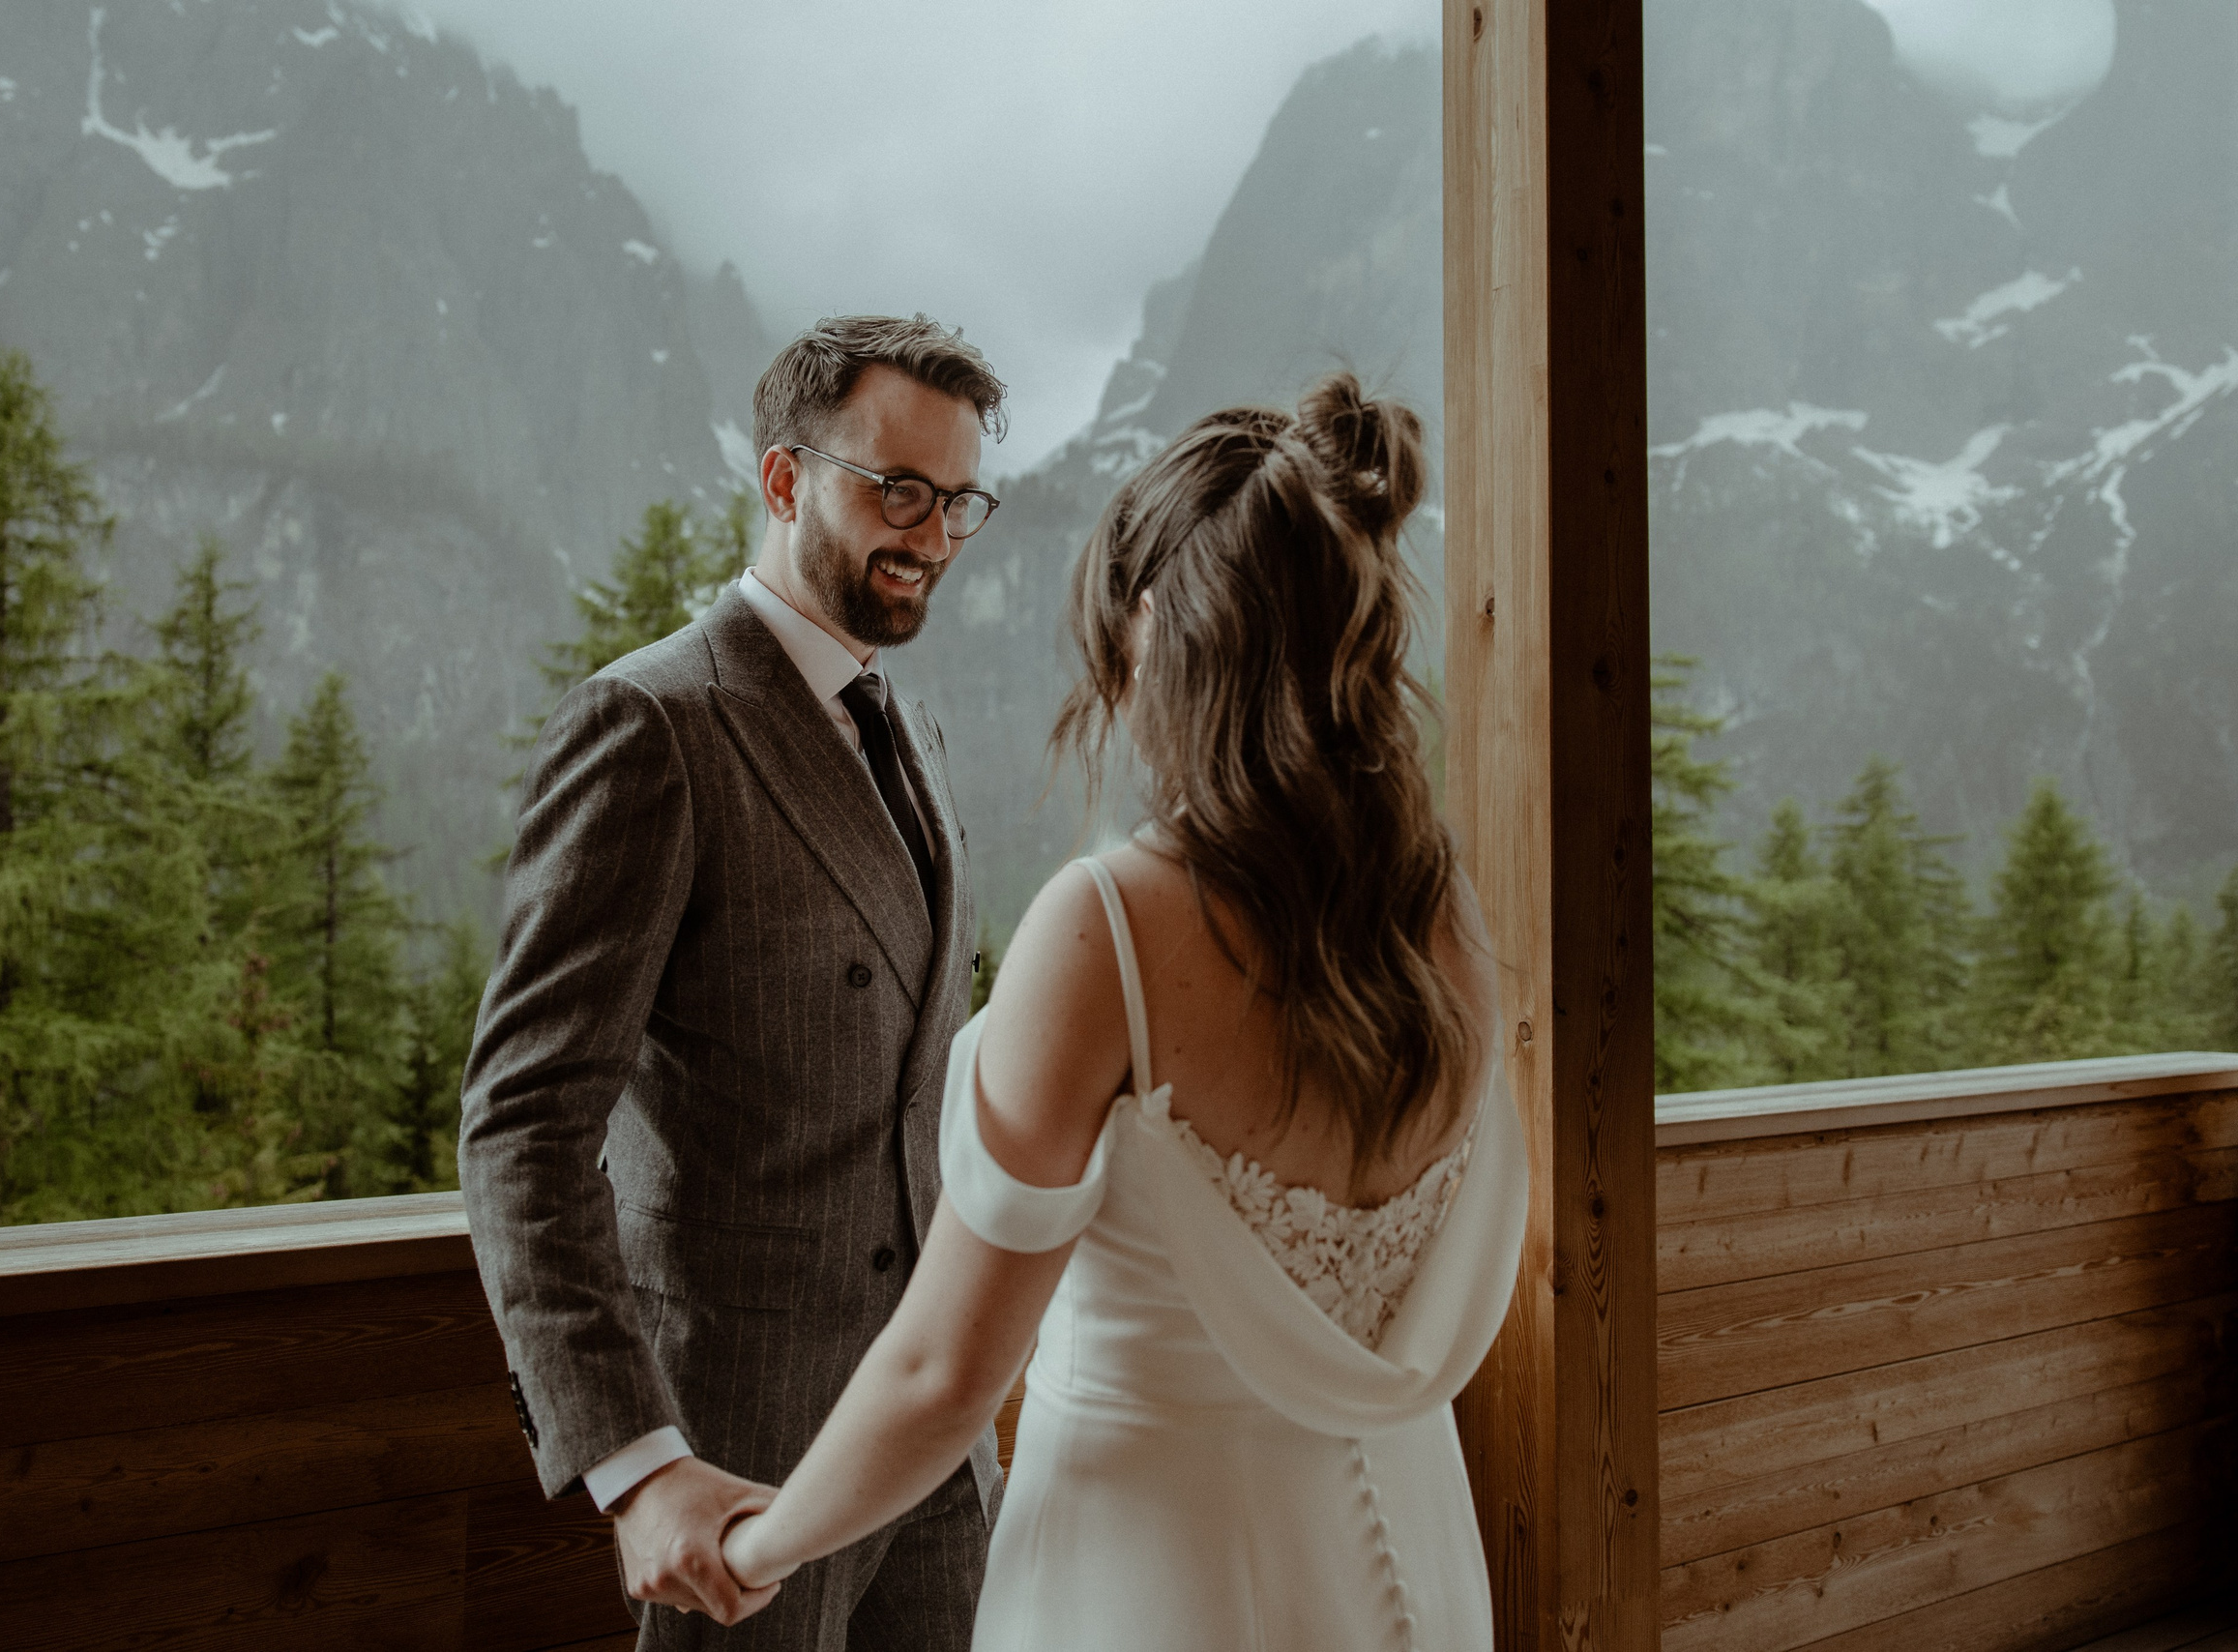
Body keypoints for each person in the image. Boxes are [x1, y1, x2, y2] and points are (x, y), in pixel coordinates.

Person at [716, 373, 1528, 1650]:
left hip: (1155, 1575)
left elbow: (946, 1377)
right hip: (1411, 1558)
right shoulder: (1446, 927)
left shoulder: (1108, 931)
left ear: (1152, 625)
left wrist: (747, 1546)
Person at [458, 313, 1009, 1648]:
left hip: (933, 1441)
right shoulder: (649, 725)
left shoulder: (911, 726)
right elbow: (522, 1128)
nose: (932, 535)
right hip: (737, 1458)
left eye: (958, 501)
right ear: (782, 479)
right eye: (898, 491)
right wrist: (636, 1465)